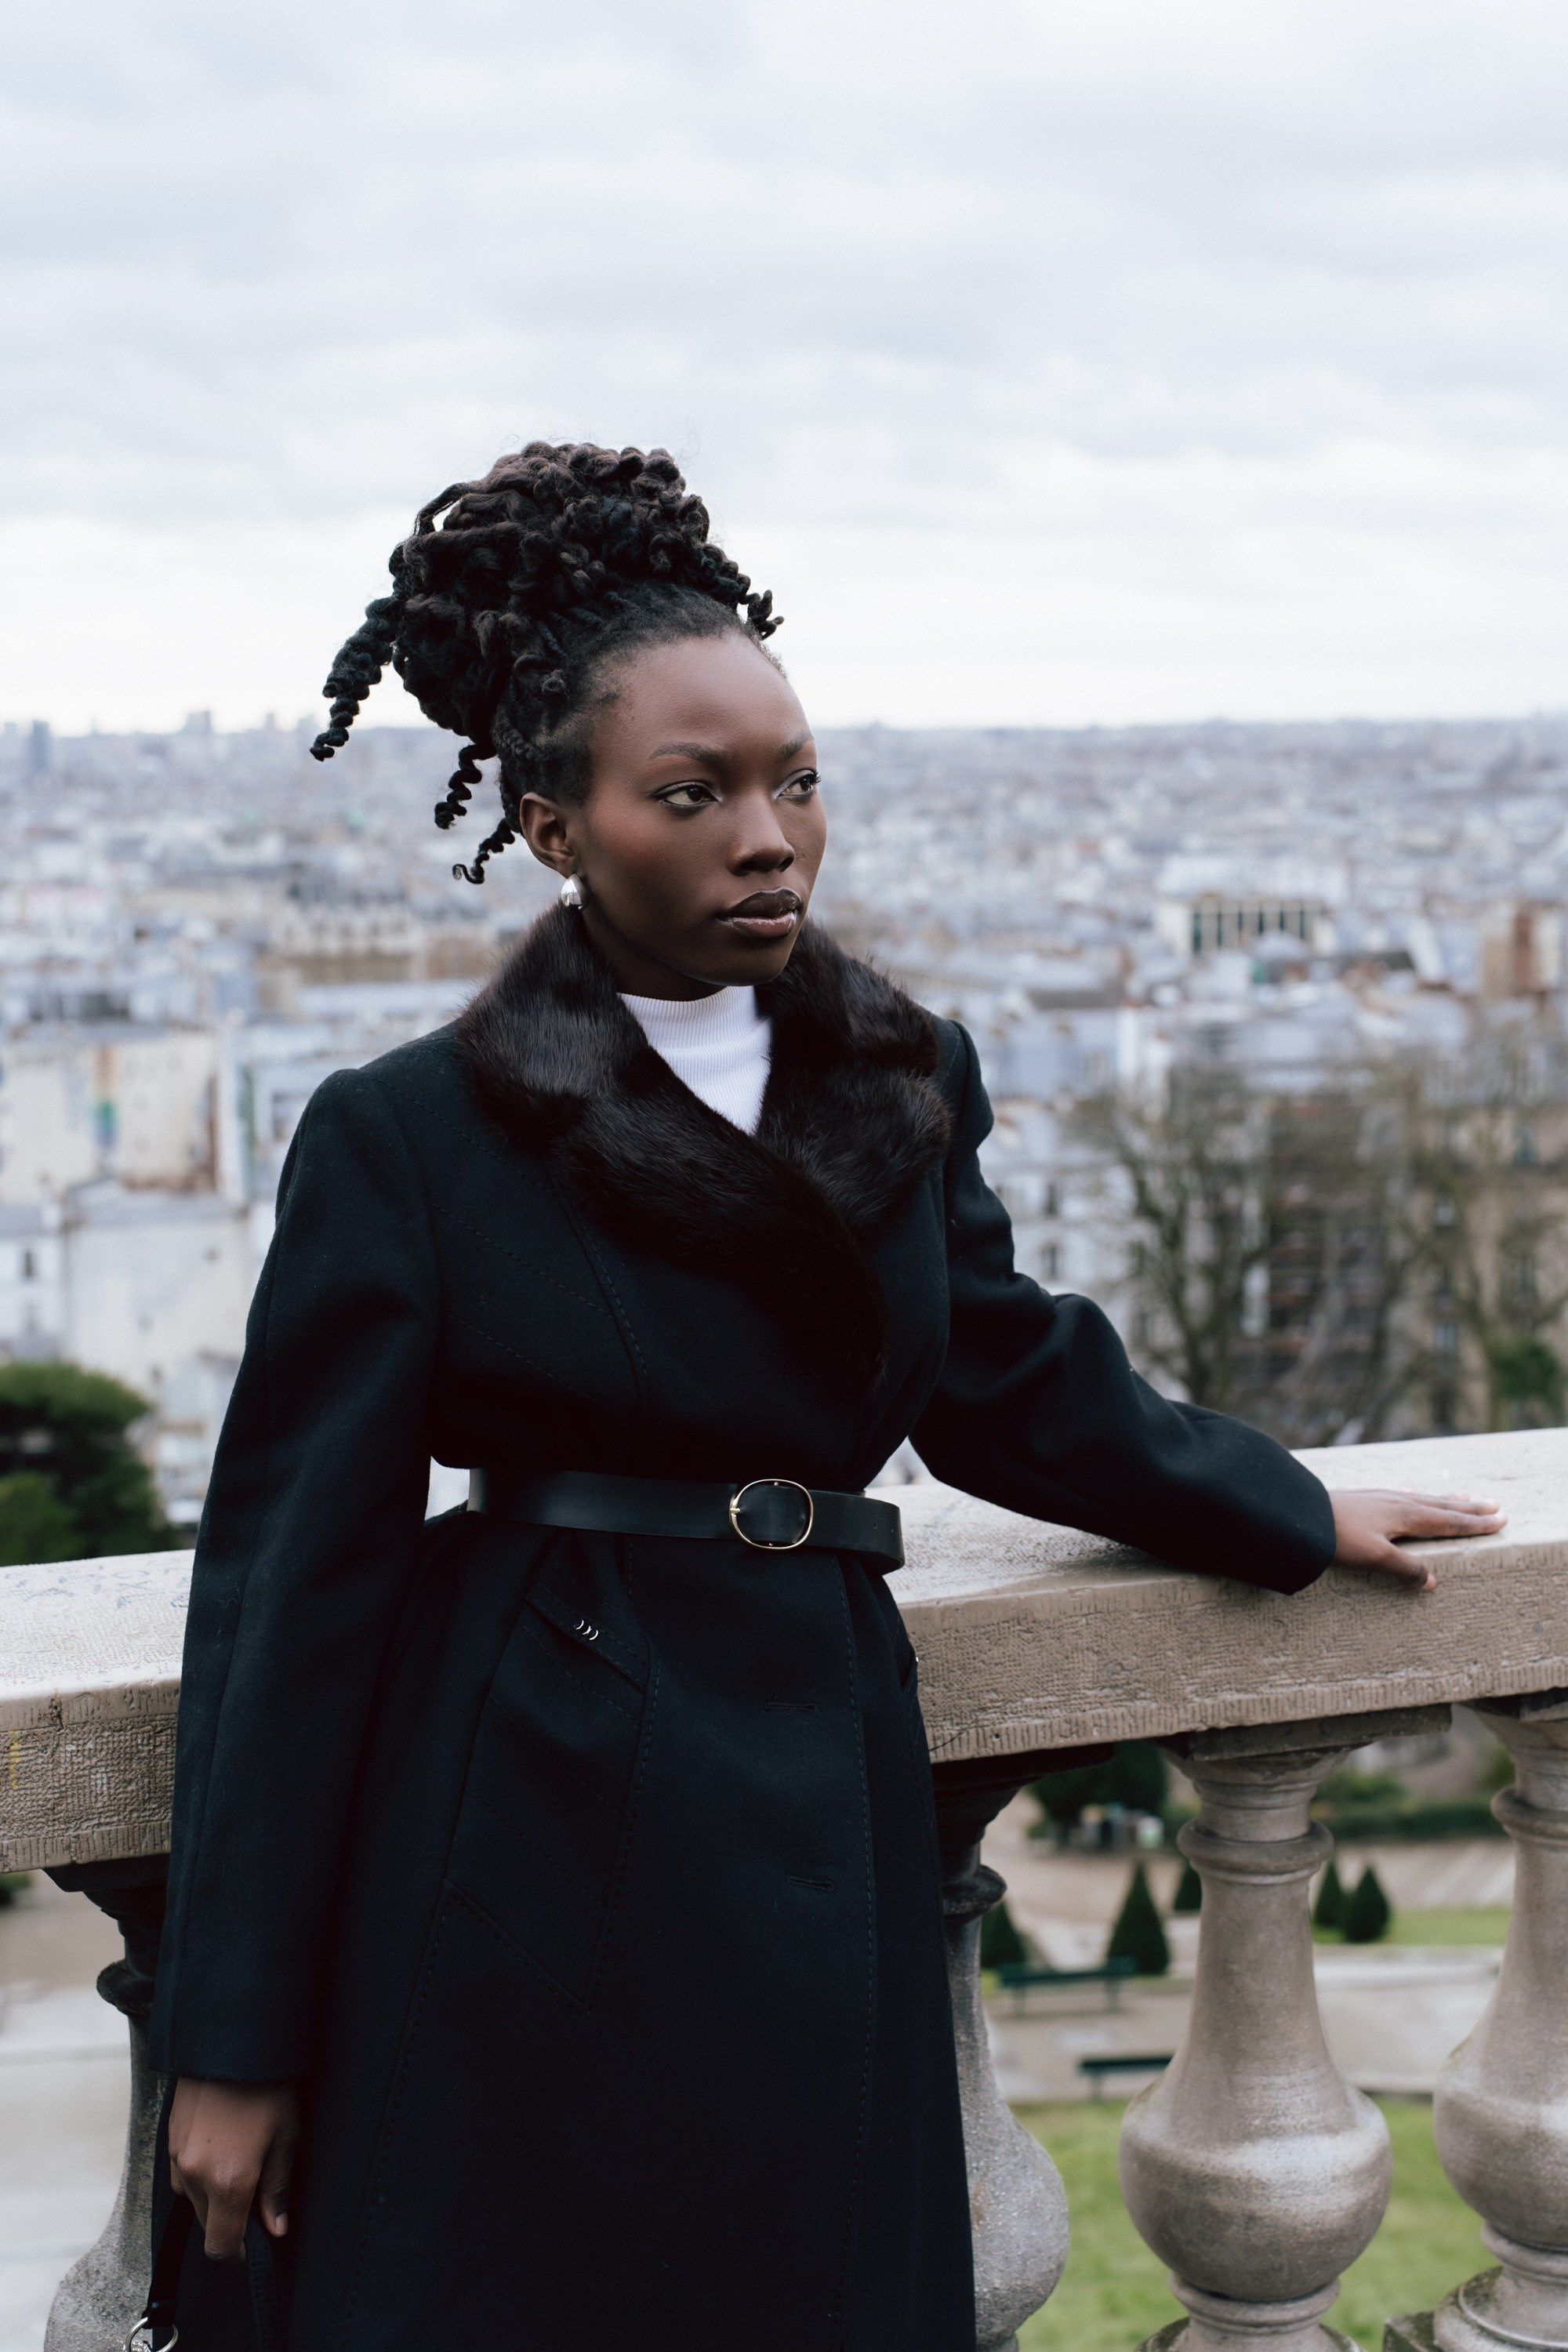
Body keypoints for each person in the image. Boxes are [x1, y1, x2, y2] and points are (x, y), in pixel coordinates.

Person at [151, 441, 1504, 2352]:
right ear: (551, 826)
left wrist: (1282, 1503)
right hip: (524, 1772)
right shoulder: (408, 1134)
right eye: (689, 793)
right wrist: (231, 2039)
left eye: (795, 782)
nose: (766, 836)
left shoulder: (904, 1071)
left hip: (813, 1745)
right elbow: (295, 1589)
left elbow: (1002, 1372)